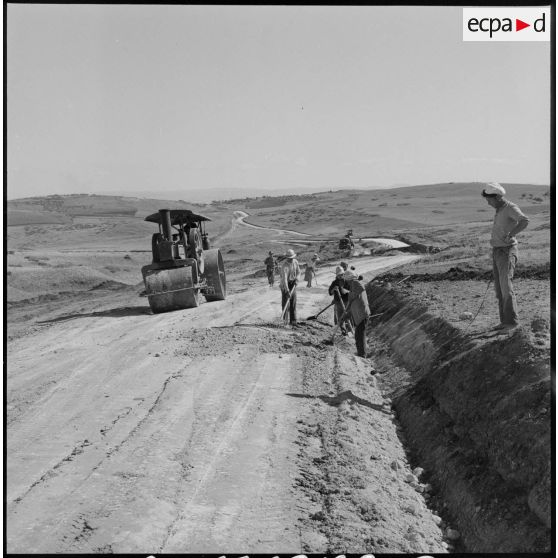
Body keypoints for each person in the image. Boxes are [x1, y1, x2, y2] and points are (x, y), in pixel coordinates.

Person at [482, 182, 529, 329]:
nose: (488, 203)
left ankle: (511, 323)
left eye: (489, 199)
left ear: (497, 197)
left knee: (506, 287)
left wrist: (512, 234)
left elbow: (524, 220)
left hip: (507, 251)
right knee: (499, 289)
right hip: (497, 251)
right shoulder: (499, 208)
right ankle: (504, 322)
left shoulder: (510, 208)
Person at [344, 269, 370, 357]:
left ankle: (362, 354)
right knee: (358, 334)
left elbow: (361, 288)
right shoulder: (352, 285)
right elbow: (354, 299)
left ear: (349, 279)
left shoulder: (355, 282)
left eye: (346, 280)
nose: (346, 282)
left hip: (362, 313)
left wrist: (351, 295)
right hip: (359, 314)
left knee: (360, 335)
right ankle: (361, 352)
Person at [328, 266, 352, 335]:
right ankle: (343, 331)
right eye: (339, 275)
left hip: (346, 302)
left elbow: (351, 290)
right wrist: (334, 289)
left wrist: (345, 291)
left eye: (341, 274)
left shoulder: (347, 282)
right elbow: (330, 293)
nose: (340, 276)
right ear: (337, 275)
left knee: (348, 317)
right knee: (340, 318)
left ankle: (350, 332)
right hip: (338, 302)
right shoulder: (334, 283)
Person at [279, 249, 301, 325]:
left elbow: (299, 272)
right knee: (286, 303)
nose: (291, 259)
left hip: (293, 283)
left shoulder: (295, 262)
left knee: (293, 302)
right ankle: (285, 321)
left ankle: (293, 321)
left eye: (292, 258)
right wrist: (287, 290)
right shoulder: (284, 266)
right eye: (289, 258)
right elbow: (284, 280)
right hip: (285, 285)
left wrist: (297, 279)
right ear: (287, 258)